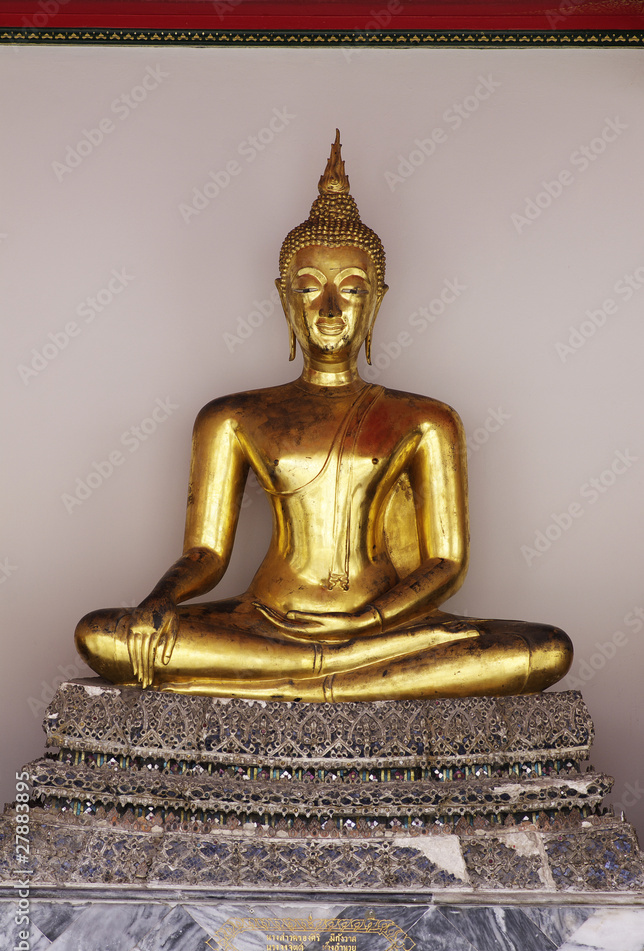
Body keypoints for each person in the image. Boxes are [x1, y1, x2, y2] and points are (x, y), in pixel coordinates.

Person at [75, 131, 573, 702]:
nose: (331, 308)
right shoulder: (232, 417)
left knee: (543, 647)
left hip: (384, 625)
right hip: (267, 621)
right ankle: (336, 673)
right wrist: (159, 601)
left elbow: (446, 562)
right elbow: (205, 554)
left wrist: (366, 622)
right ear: (285, 299)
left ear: (377, 301)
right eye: (310, 289)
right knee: (102, 635)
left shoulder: (426, 419)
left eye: (352, 290)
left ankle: (302, 676)